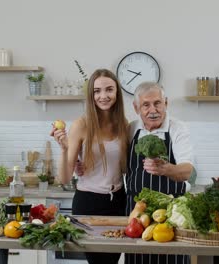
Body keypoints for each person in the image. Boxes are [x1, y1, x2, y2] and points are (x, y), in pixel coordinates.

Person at [50, 69, 129, 264]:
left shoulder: (123, 124)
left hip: (119, 201)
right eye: (97, 91)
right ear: (91, 95)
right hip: (89, 203)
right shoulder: (82, 124)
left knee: (111, 262)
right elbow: (64, 178)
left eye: (109, 89)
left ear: (117, 93)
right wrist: (64, 150)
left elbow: (125, 168)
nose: (103, 96)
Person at [125, 81, 193, 264]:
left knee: (172, 259)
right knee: (137, 259)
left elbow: (187, 170)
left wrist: (166, 169)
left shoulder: (178, 129)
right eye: (146, 105)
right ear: (136, 107)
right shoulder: (131, 129)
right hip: (137, 211)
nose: (152, 110)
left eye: (157, 103)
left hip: (172, 212)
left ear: (166, 103)